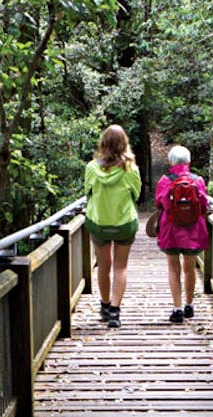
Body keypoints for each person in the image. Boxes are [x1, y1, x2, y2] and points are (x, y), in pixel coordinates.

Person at [84, 124, 141, 328]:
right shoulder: (130, 168)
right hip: (124, 223)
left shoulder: (92, 168)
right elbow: (137, 194)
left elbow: (87, 192)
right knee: (120, 266)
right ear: (124, 143)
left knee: (103, 265)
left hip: (99, 223)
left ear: (103, 143)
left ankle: (105, 306)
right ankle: (115, 312)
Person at [155, 145, 209, 323]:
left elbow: (159, 204)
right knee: (190, 267)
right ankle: (189, 305)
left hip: (170, 231)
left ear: (170, 162)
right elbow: (204, 206)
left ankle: (177, 308)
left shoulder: (164, 180)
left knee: (173, 267)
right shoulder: (198, 180)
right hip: (193, 231)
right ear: (189, 161)